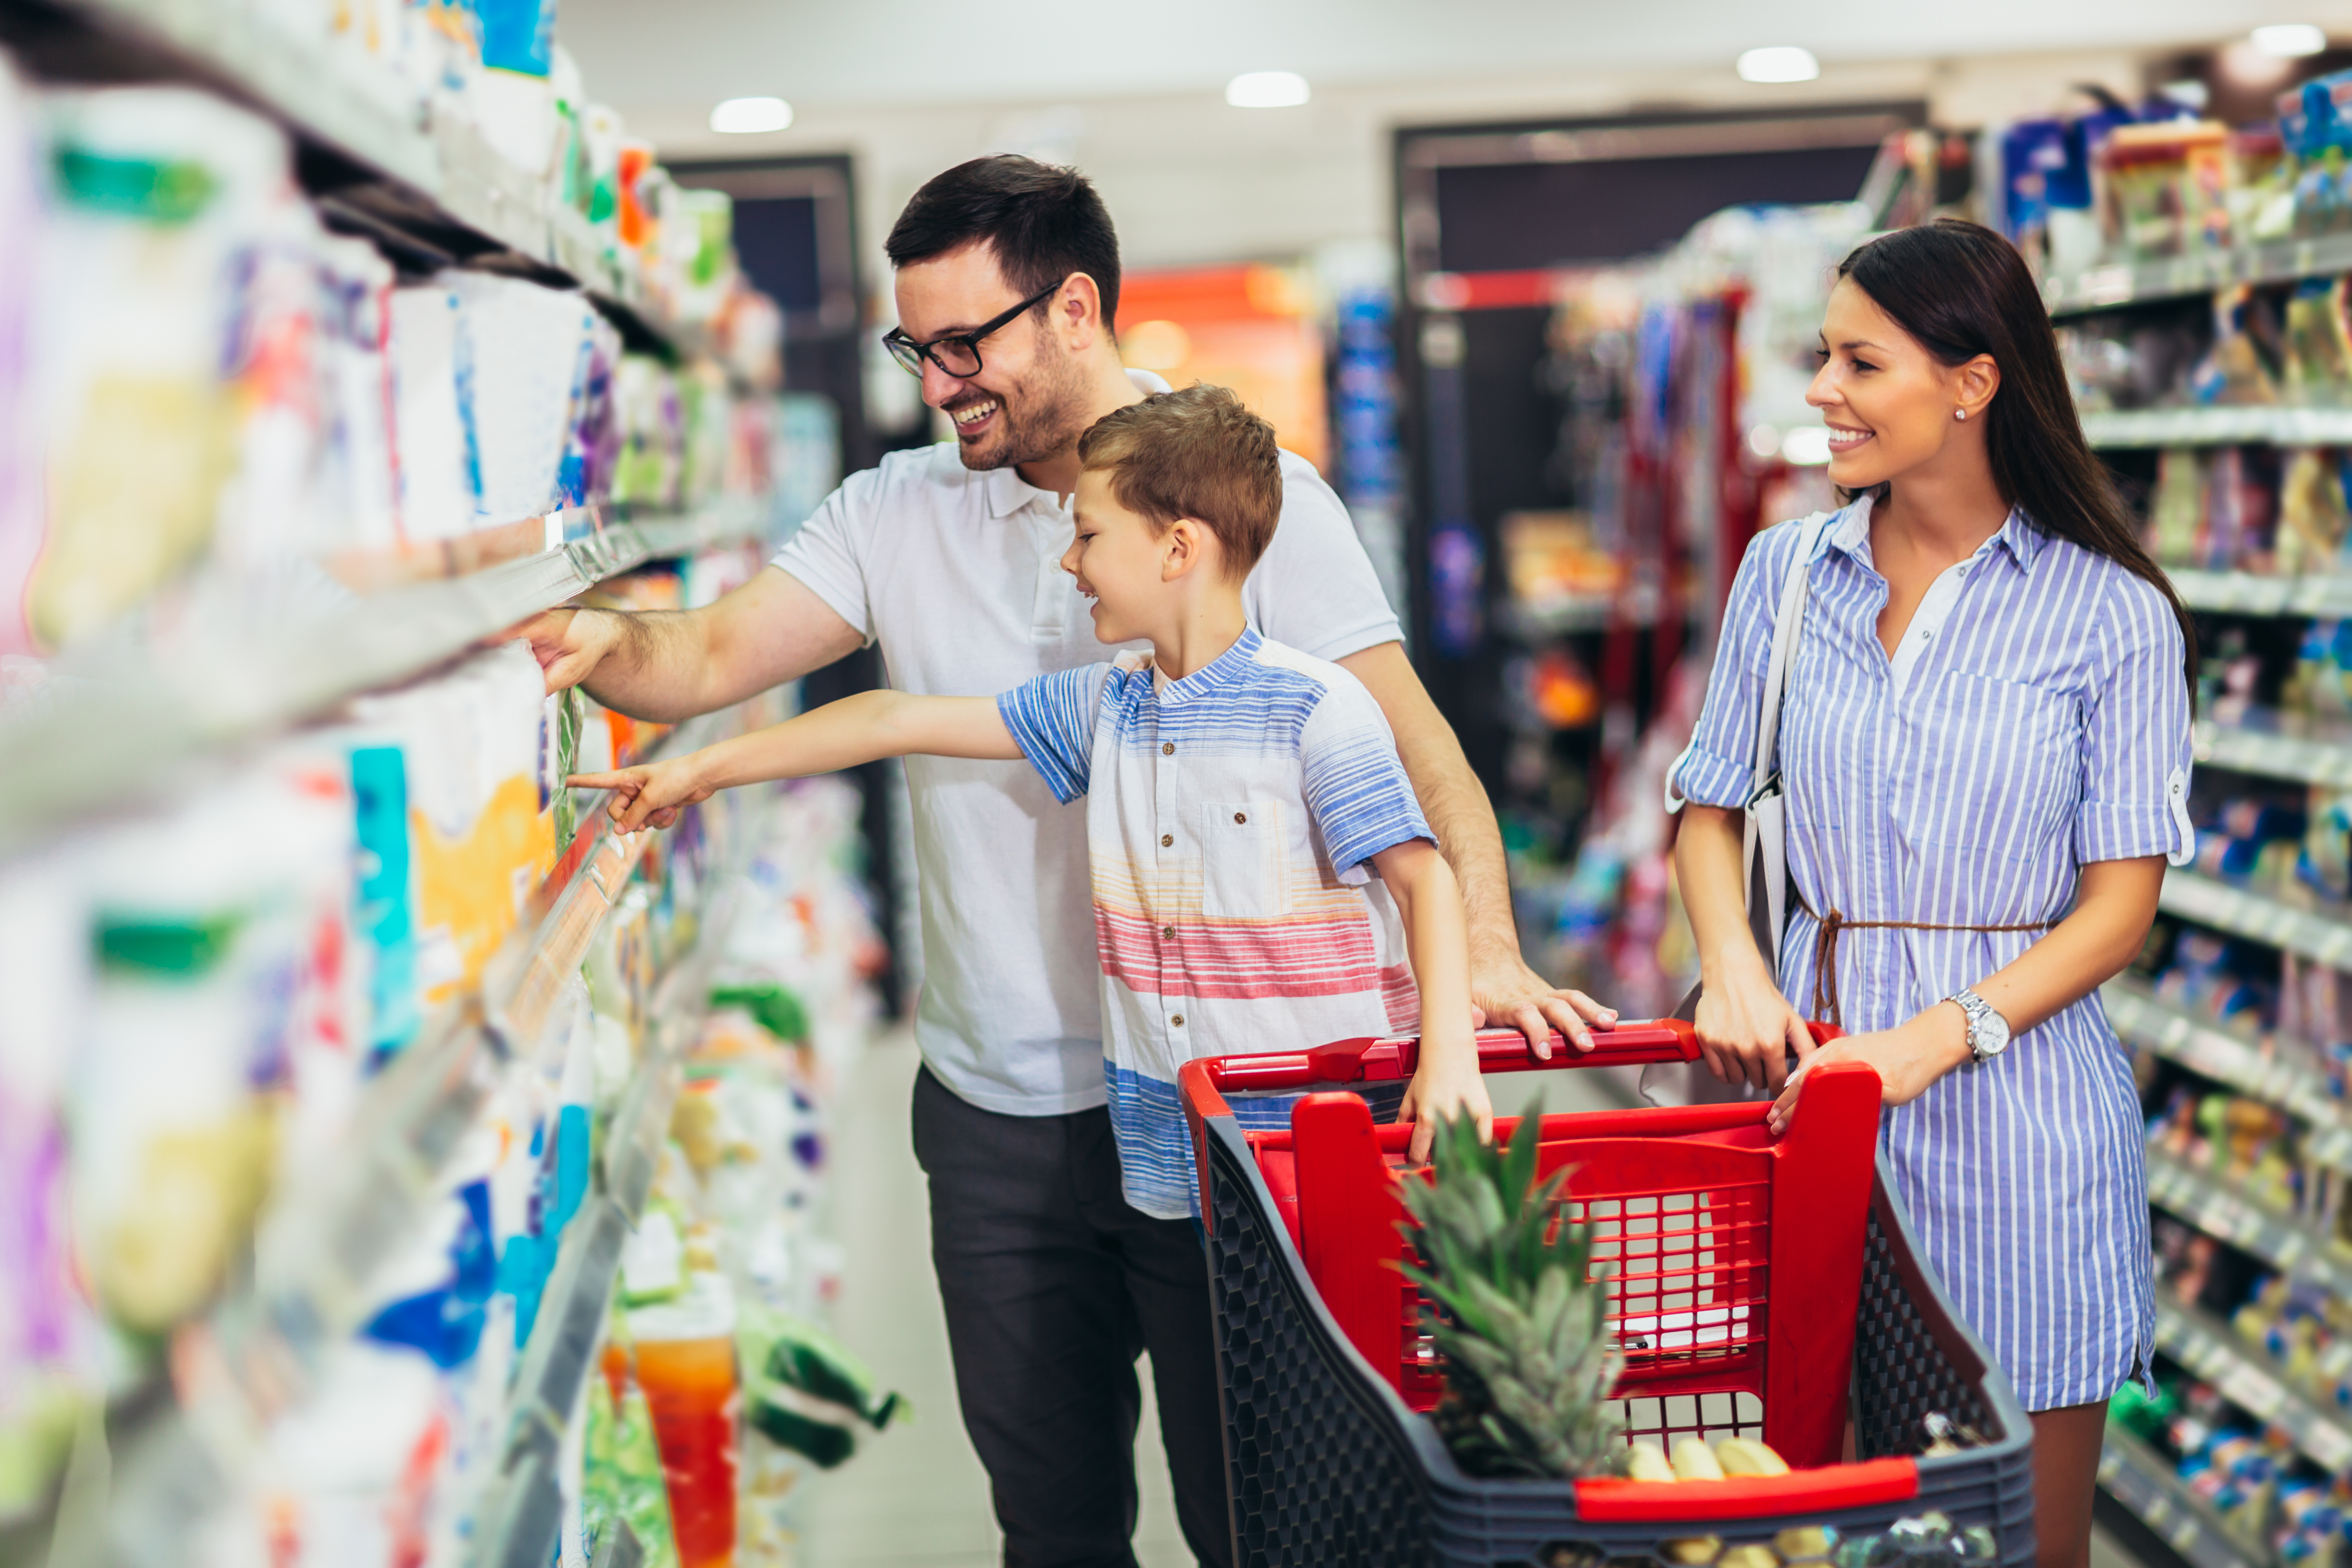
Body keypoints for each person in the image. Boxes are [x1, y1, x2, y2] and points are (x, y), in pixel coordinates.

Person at [519, 156, 1607, 1568]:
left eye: (966, 345)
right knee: (1054, 1527)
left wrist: (1491, 950)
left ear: (1075, 308)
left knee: (1261, 1514)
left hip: (1239, 1112)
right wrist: (614, 641)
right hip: (999, 1117)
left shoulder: (1245, 504)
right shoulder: (896, 510)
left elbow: (1421, 756)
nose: (938, 383)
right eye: (917, 349)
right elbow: (719, 654)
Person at [571, 383, 1492, 1192]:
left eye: (1088, 536)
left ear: (1178, 550)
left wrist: (1450, 1056)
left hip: (1325, 1138)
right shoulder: (1112, 707)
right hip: (1182, 1152)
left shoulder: (1316, 708)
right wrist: (696, 772)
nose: (1069, 561)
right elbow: (894, 717)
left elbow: (1424, 879)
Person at [1668, 218, 2193, 1568]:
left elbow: (2118, 913)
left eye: (1861, 361)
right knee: (1832, 1517)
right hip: (1813, 1091)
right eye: (1824, 355)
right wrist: (1731, 963)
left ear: (1972, 382)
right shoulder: (1787, 578)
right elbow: (1709, 804)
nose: (1821, 391)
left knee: (2023, 1535)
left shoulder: (2110, 616)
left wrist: (1930, 1039)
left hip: (2020, 1115)